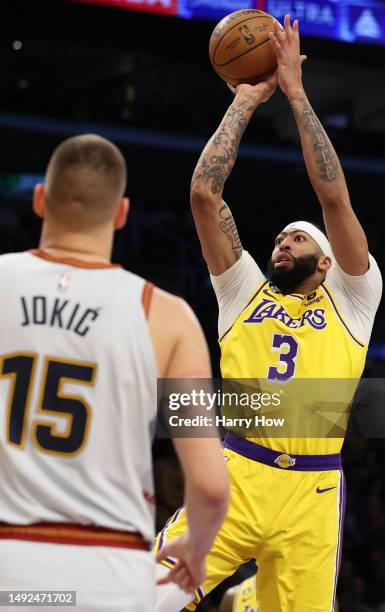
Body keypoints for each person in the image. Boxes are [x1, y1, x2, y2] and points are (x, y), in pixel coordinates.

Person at [155, 16, 382, 612]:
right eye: (279, 237)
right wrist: (247, 101)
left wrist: (297, 94)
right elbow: (206, 195)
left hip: (313, 489)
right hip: (237, 473)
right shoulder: (244, 292)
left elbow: (332, 195)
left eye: (297, 239)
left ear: (328, 260)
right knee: (143, 597)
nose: (282, 242)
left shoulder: (354, 302)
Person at [0, 134, 229, 611]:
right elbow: (210, 487)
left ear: (40, 199)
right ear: (121, 213)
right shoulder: (168, 316)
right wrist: (196, 547)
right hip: (109, 574)